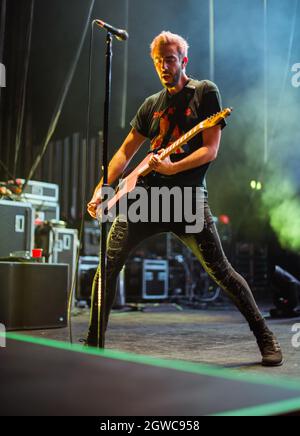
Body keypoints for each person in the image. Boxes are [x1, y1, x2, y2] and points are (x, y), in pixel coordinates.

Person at [86, 31, 283, 366]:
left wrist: (174, 166)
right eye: (159, 60)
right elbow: (124, 152)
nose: (165, 65)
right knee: (107, 266)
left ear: (183, 60)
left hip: (186, 199)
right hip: (146, 199)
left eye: (171, 59)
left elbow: (210, 149)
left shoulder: (205, 92)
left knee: (221, 271)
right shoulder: (151, 105)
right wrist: (102, 186)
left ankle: (265, 337)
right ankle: (93, 345)